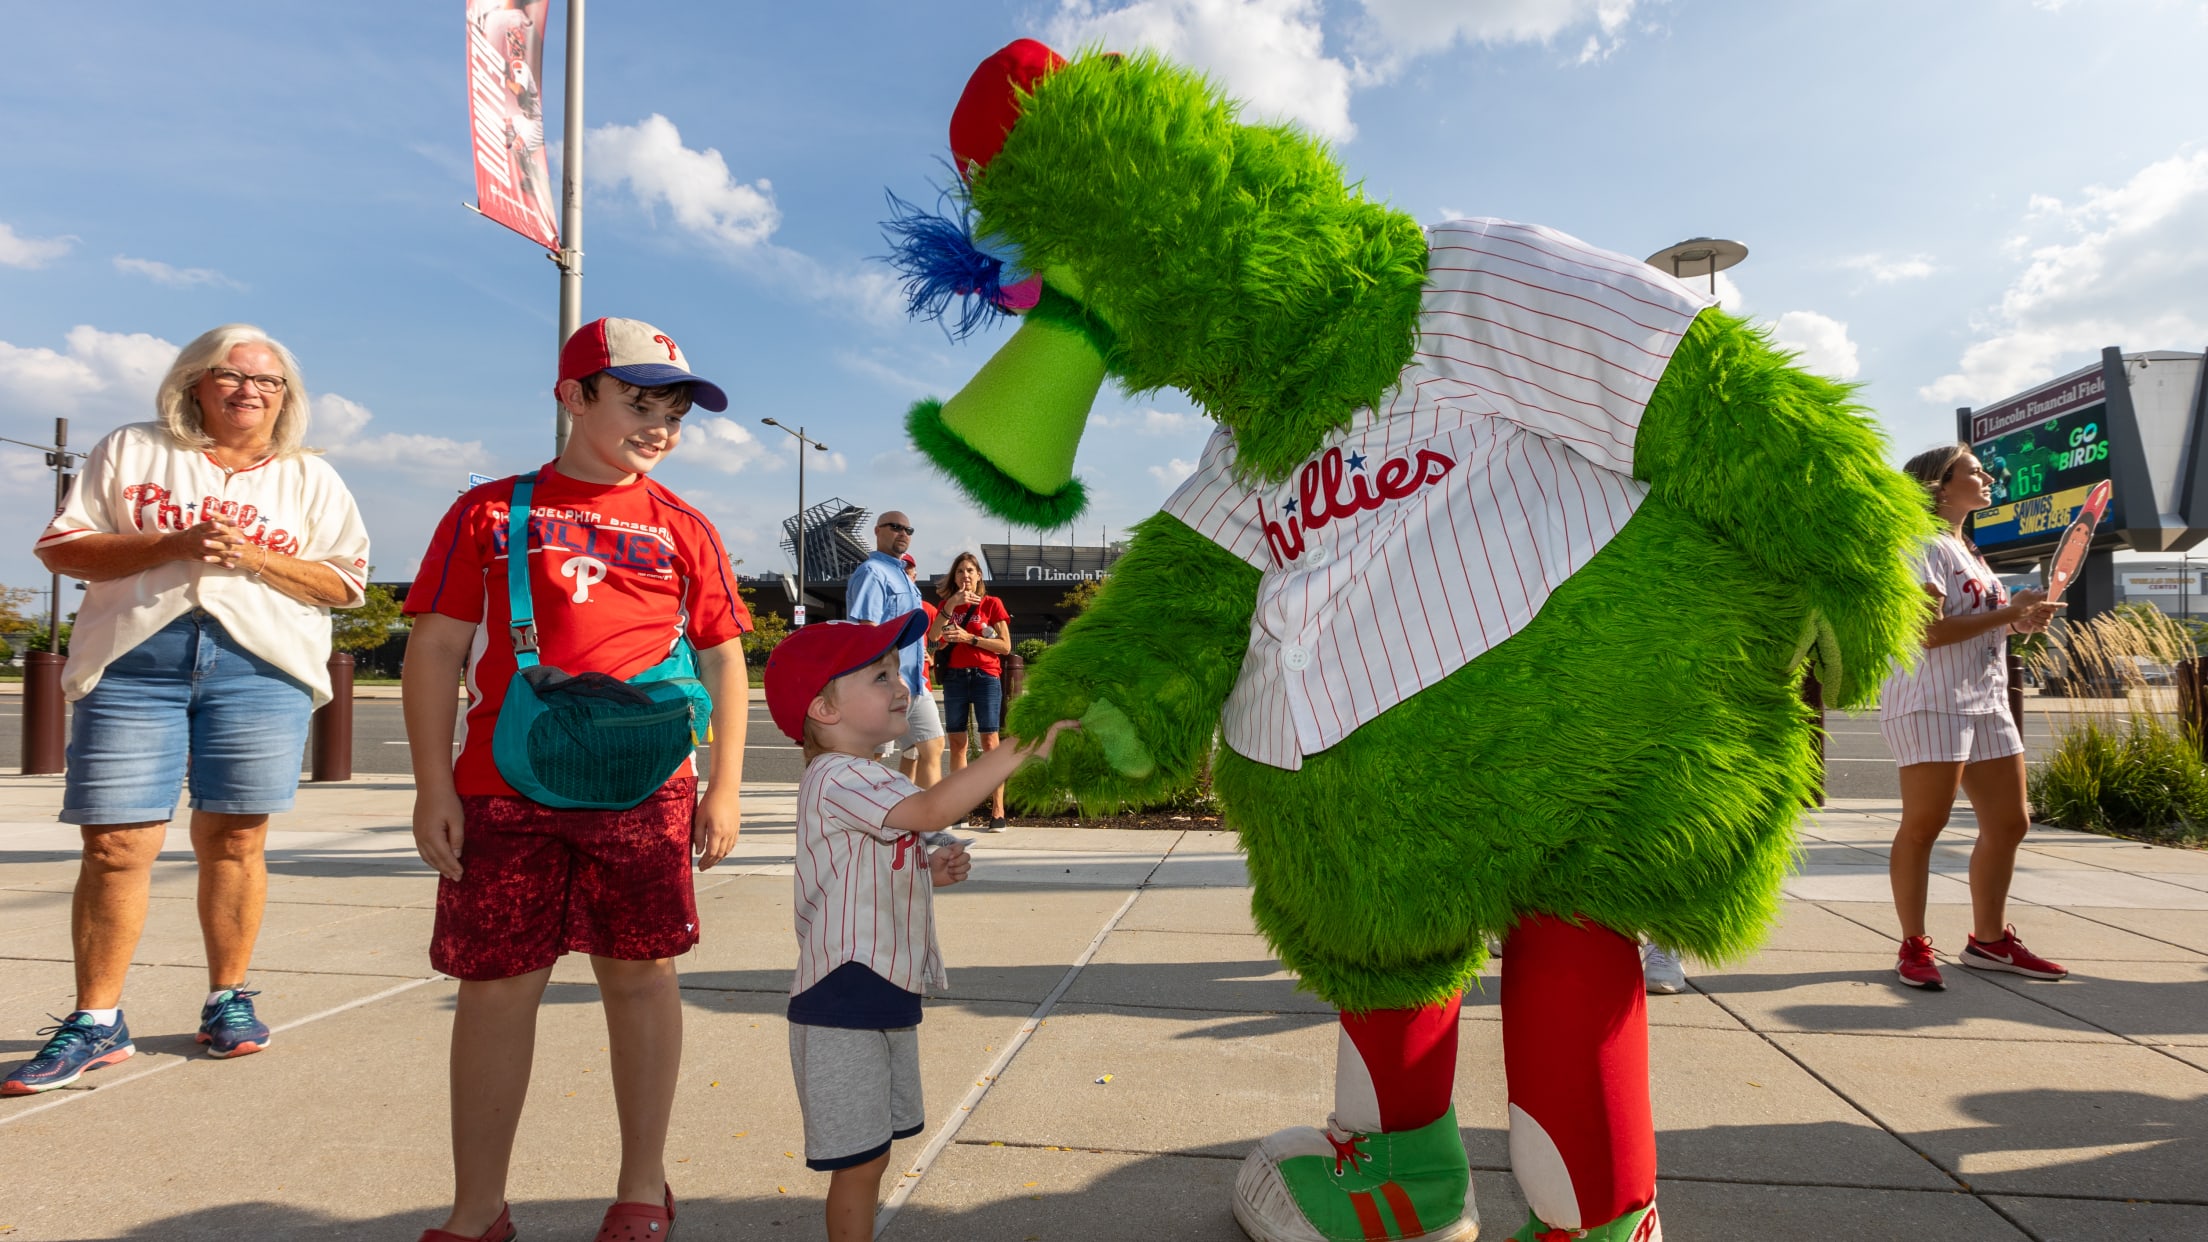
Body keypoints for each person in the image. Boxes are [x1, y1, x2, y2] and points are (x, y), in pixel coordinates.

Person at [401, 318, 752, 1242]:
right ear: (572, 396)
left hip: (646, 786)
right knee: (496, 985)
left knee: (640, 975)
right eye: (638, 402)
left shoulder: (686, 526)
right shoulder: (489, 511)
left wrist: (724, 786)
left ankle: (643, 1188)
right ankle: (478, 1207)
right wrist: (433, 784)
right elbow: (435, 649)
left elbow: (723, 661)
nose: (660, 424)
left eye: (674, 409)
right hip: (502, 785)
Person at [3, 324, 370, 1098]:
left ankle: (227, 998)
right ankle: (97, 1021)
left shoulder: (310, 478)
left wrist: (257, 557)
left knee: (236, 836)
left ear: (286, 398)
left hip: (260, 665)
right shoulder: (134, 450)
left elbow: (346, 584)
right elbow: (63, 549)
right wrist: (173, 541)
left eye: (267, 383)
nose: (248, 391)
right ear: (193, 384)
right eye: (230, 376)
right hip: (136, 661)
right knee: (115, 844)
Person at [761, 612, 1075, 1242]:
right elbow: (934, 806)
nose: (902, 684)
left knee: (873, 1154)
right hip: (842, 998)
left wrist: (927, 870)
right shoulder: (836, 775)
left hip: (881, 990)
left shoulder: (869, 775)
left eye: (898, 670)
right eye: (879, 676)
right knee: (856, 1162)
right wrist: (1020, 744)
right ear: (824, 709)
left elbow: (865, 865)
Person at [1880, 444, 2066, 992]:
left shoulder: (1969, 549)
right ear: (1940, 485)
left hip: (1985, 697)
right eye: (1974, 471)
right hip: (1930, 698)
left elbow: (1981, 622)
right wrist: (2008, 612)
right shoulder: (1920, 544)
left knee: (2011, 822)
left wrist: (2018, 623)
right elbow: (1926, 633)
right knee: (1924, 825)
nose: (1988, 477)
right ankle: (1913, 946)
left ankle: (1989, 942)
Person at [842, 511, 946, 785]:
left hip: (915, 682)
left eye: (908, 530)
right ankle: (866, 819)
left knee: (933, 747)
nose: (903, 534)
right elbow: (868, 630)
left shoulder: (903, 576)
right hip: (886, 685)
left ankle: (926, 823)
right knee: (872, 758)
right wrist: (886, 674)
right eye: (896, 527)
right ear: (877, 531)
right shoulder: (873, 573)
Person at [930, 551, 1014, 830]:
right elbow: (933, 641)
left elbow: (1005, 646)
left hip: (985, 676)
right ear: (954, 577)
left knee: (990, 742)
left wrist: (971, 639)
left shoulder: (992, 604)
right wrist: (951, 605)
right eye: (960, 571)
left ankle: (998, 809)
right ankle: (960, 807)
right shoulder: (947, 605)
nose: (965, 575)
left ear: (979, 575)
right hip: (954, 678)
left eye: (970, 570)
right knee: (957, 743)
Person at [897, 552, 946, 788]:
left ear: (915, 576)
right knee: (876, 752)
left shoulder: (925, 608)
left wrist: (933, 656)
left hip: (919, 684)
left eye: (908, 570)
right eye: (900, 570)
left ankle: (919, 811)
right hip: (889, 687)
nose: (905, 574)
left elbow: (944, 635)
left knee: (922, 749)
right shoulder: (888, 604)